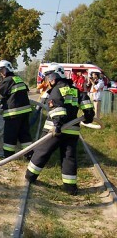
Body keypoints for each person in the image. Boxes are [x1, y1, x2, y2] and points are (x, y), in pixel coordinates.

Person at [25, 63, 95, 195]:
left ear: (56, 76)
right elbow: (86, 102)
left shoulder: (56, 90)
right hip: (72, 131)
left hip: (55, 130)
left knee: (41, 152)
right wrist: (89, 115)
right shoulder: (75, 90)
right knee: (69, 157)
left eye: (50, 77)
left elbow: (57, 108)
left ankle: (30, 176)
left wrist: (57, 125)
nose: (49, 80)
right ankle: (70, 187)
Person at [0, 60, 33, 159]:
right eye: (0, 71)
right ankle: (29, 154)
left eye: (2, 70)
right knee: (24, 135)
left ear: (7, 69)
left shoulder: (8, 80)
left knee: (10, 135)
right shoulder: (18, 78)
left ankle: (8, 156)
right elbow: (12, 95)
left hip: (13, 113)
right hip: (25, 112)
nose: (1, 73)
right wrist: (0, 102)